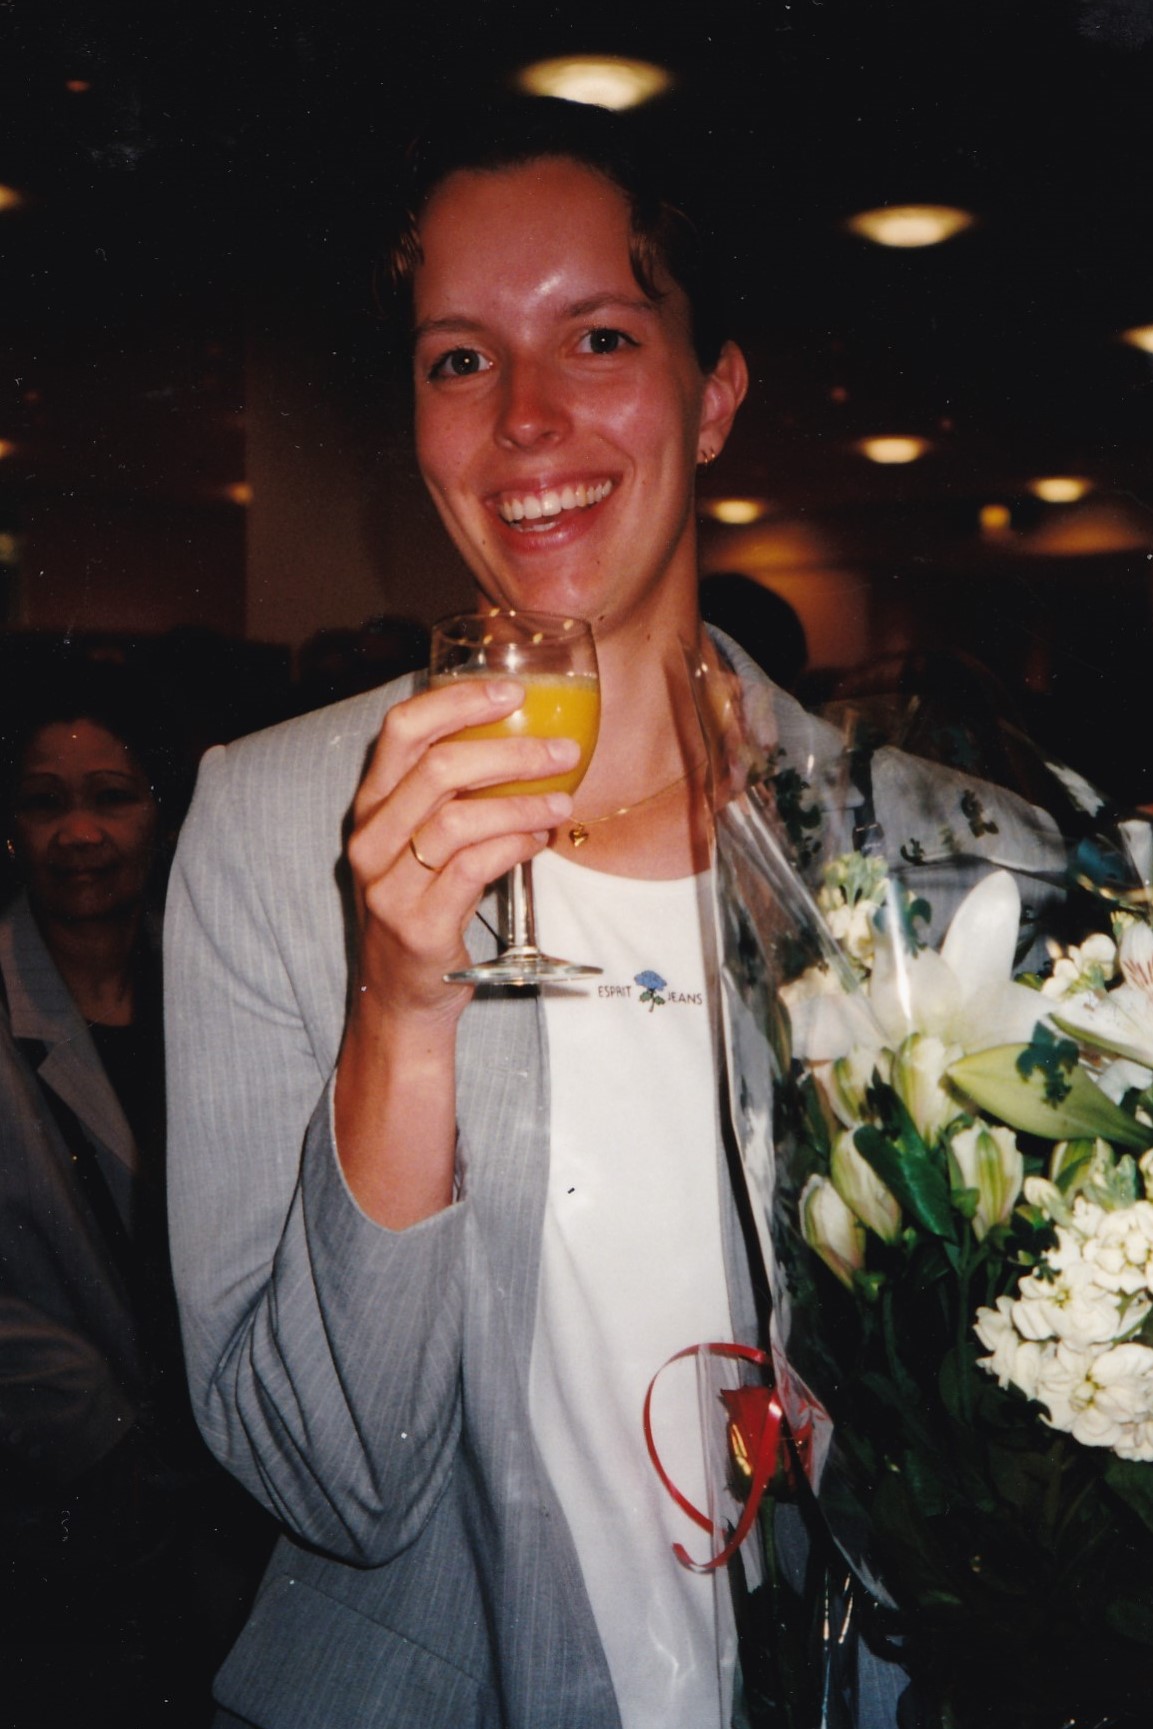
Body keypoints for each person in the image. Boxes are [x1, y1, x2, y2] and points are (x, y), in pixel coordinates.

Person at [166, 98, 1042, 1728]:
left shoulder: (935, 851)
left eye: (597, 337)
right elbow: (329, 1474)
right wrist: (398, 1007)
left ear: (712, 396)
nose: (524, 418)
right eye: (458, 358)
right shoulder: (269, 825)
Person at [0, 661, 268, 1725]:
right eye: (44, 802)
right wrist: (96, 1423)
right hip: (58, 1500)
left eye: (111, 796)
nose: (79, 834)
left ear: (161, 811)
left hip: (229, 1487)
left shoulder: (221, 978)